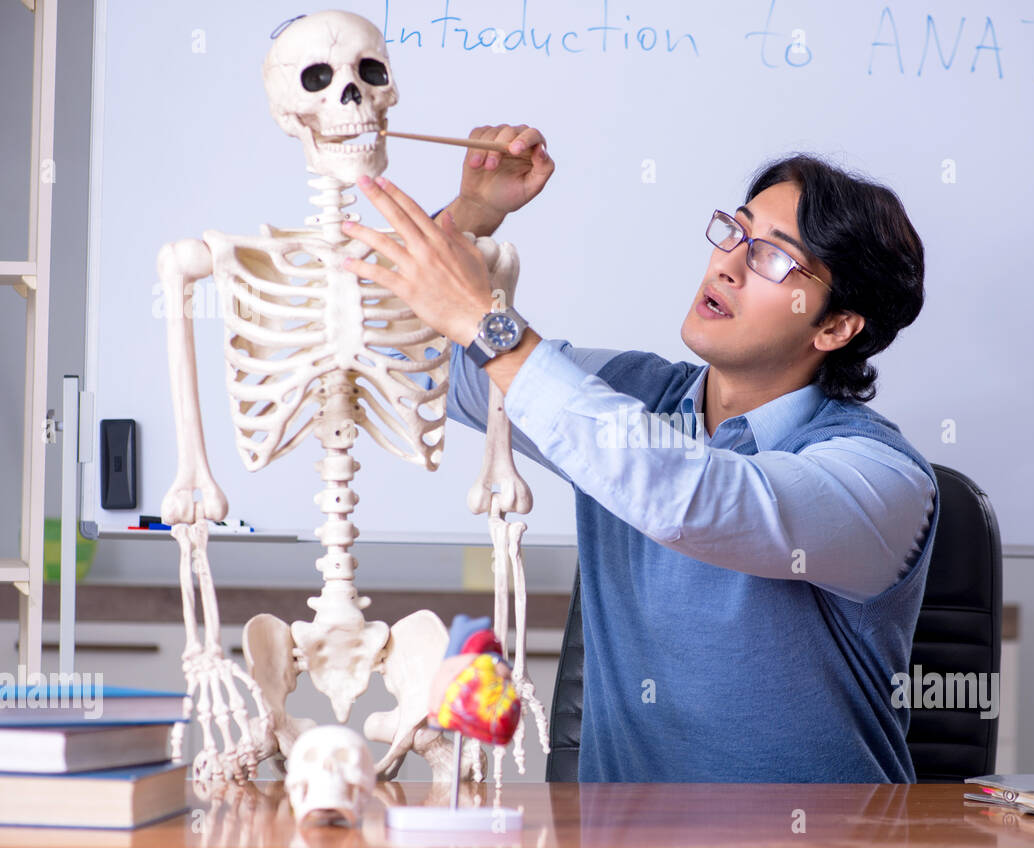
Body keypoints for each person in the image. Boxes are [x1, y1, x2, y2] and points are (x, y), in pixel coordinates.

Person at [341, 125, 938, 783]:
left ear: (835, 325)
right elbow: (405, 361)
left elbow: (693, 497)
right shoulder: (631, 393)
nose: (727, 263)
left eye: (772, 258)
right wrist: (473, 217)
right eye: (735, 231)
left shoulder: (884, 479)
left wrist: (491, 326)